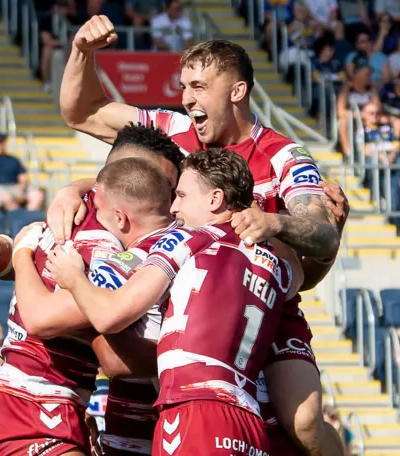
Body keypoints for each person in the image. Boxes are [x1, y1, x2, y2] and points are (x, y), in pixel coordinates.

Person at [55, 18, 348, 452]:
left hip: (258, 304)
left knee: (303, 423)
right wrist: (82, 52)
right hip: (177, 298)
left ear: (236, 92)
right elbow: (82, 113)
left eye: (198, 87)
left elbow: (323, 236)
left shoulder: (285, 155)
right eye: (183, 87)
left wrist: (275, 222)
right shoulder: (175, 131)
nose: (187, 99)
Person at [43, 148, 306, 455]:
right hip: (248, 419)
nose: (175, 208)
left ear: (215, 199)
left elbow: (109, 316)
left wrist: (72, 277)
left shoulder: (185, 240)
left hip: (195, 409)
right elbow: (300, 275)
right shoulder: (278, 261)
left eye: (182, 195)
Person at [0, 125, 184, 456]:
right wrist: (17, 254)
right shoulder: (109, 246)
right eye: (163, 187)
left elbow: (29, 273)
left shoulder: (76, 214)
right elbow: (42, 318)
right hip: (34, 404)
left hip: (39, 402)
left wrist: (5, 253)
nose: (169, 202)